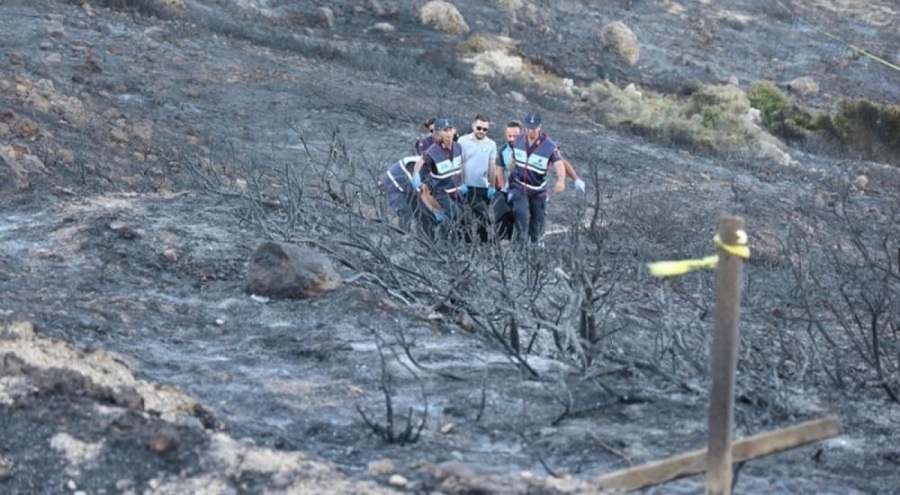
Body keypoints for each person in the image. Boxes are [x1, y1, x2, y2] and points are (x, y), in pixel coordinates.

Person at [507, 112, 566, 243]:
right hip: (519, 186)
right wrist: (509, 169)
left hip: (537, 189)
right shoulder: (518, 140)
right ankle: (518, 249)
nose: (530, 131)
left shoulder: (550, 146)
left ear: (540, 127)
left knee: (537, 225)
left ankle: (535, 252)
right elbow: (513, 159)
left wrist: (561, 181)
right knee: (521, 214)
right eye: (528, 128)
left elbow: (559, 164)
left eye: (533, 129)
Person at [412, 117, 465, 240]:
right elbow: (419, 163)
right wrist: (416, 177)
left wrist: (463, 184)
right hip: (440, 192)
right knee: (452, 214)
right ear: (439, 133)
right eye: (444, 130)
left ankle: (449, 241)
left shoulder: (458, 147)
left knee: (461, 214)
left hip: (455, 191)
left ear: (454, 131)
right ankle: (443, 242)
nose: (448, 133)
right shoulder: (434, 150)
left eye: (450, 129)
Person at [457, 114, 499, 243]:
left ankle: (483, 246)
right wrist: (461, 183)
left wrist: (492, 186)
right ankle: (464, 245)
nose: (481, 131)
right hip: (465, 187)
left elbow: (492, 166)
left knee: (483, 218)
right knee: (464, 218)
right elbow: (460, 163)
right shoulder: (462, 141)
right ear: (473, 126)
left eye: (485, 129)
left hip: (481, 187)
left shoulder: (491, 144)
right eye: (479, 128)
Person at [379, 155, 421, 232]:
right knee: (404, 211)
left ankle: (418, 234)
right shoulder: (414, 164)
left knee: (417, 209)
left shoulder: (420, 163)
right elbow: (415, 183)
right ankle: (403, 233)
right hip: (392, 187)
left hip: (403, 188)